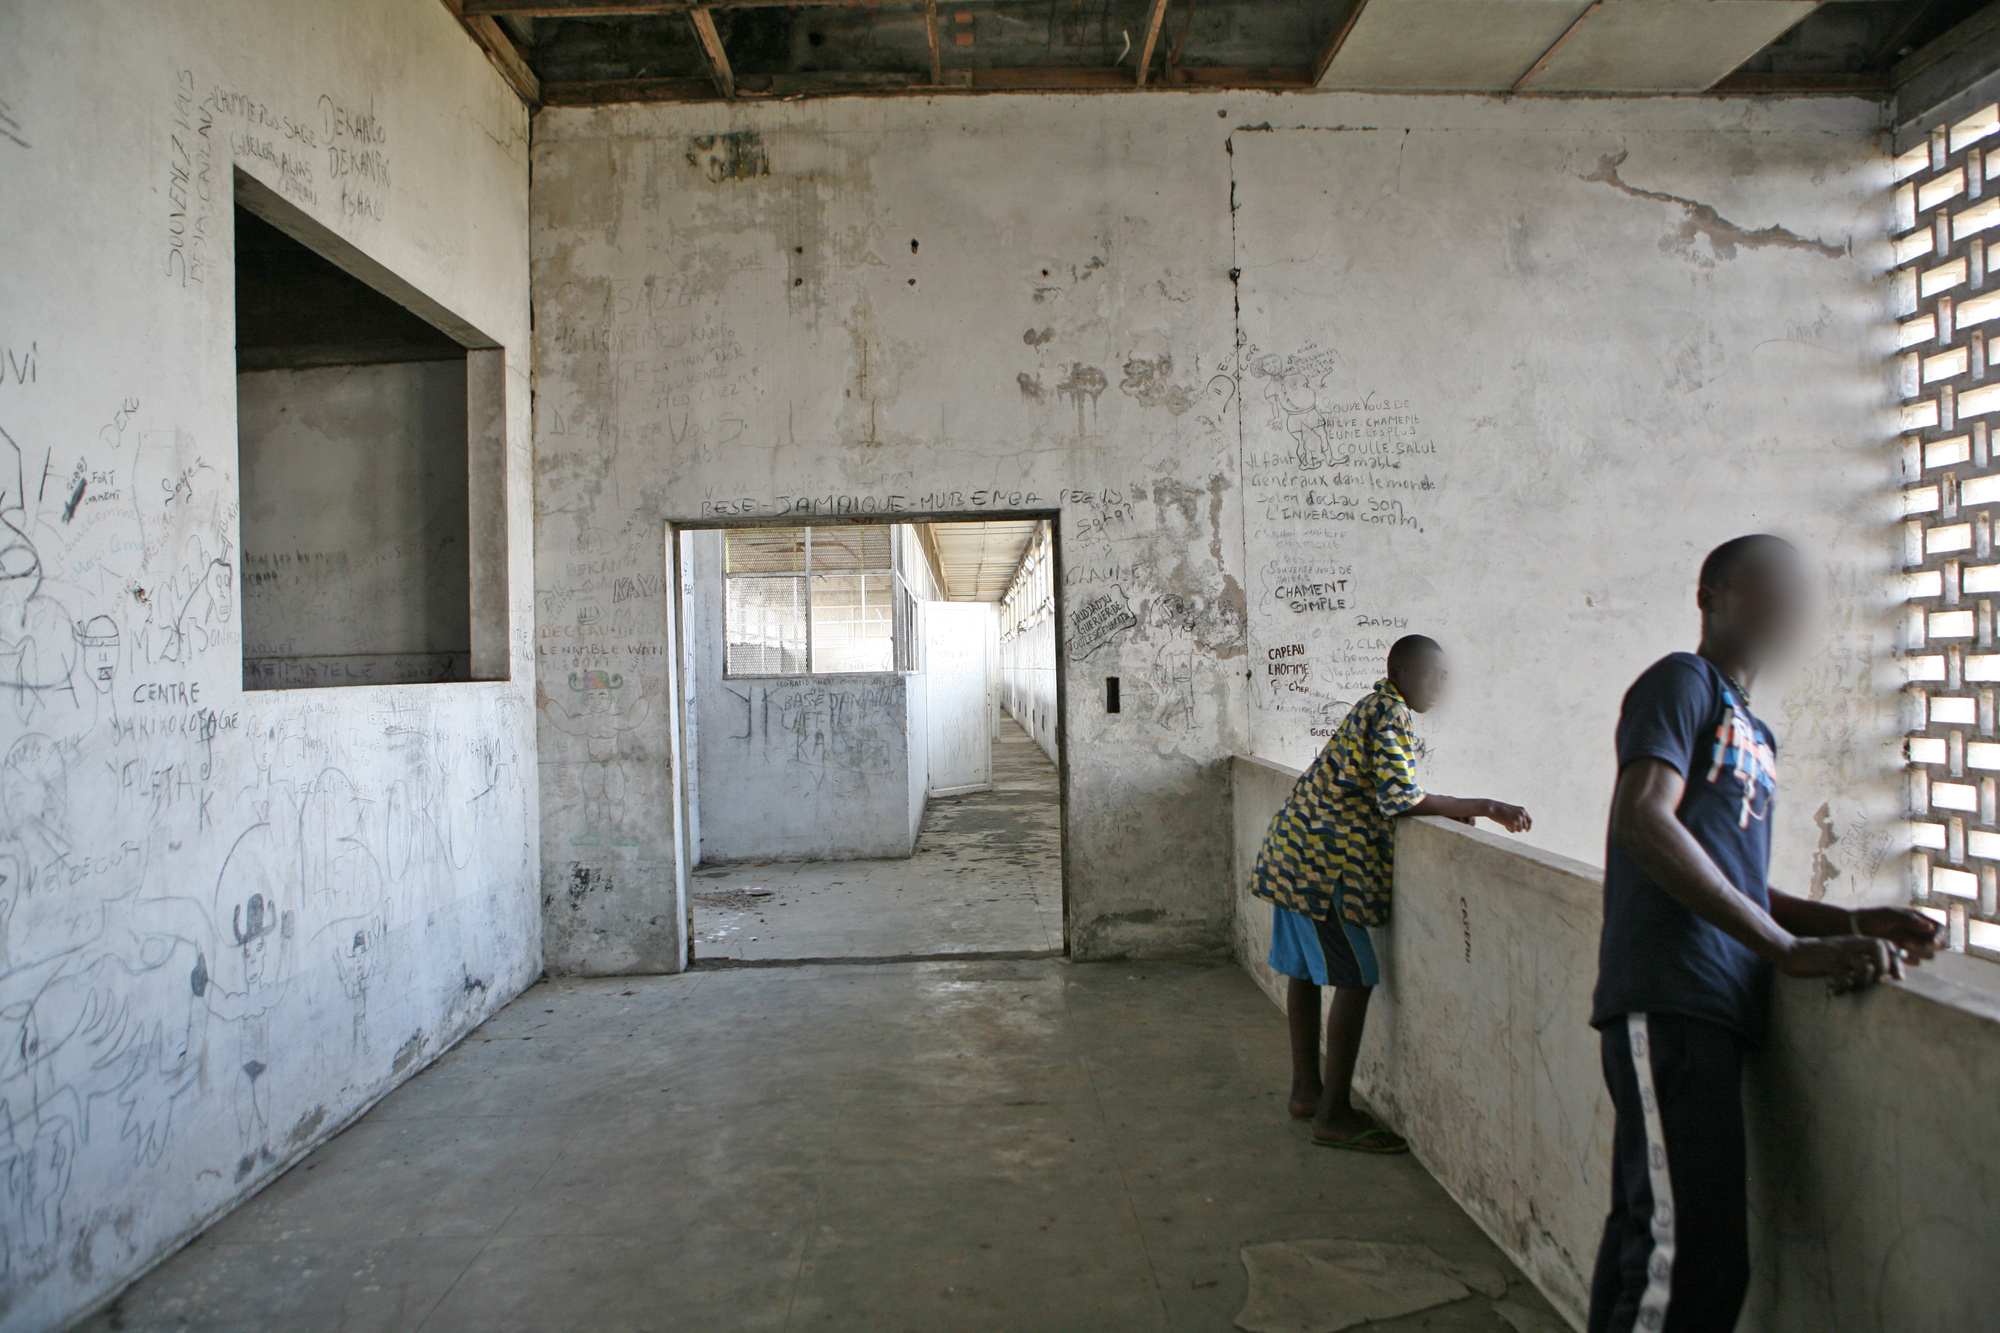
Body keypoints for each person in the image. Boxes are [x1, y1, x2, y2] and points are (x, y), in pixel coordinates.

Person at [1587, 534, 1942, 1333]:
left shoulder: (1757, 733)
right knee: (1693, 1264)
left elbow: (1737, 881)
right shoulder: (1684, 683)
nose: (1784, 607)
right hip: (1671, 996)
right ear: (1708, 598)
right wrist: (1785, 950)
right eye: (1763, 589)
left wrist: (1845, 921)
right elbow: (1645, 819)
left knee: (1654, 1244)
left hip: (1713, 1004)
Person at [1249, 634, 1532, 1152]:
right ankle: (1332, 1113)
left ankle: (1307, 1092)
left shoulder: (1374, 706)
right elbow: (1399, 796)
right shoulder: (1390, 711)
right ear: (1400, 671)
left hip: (1294, 851)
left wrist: (1452, 805)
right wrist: (1487, 804)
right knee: (1355, 979)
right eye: (1430, 675)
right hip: (1321, 865)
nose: (1438, 685)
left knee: (1305, 972)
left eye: (1444, 677)